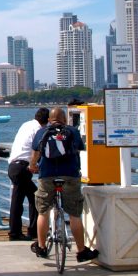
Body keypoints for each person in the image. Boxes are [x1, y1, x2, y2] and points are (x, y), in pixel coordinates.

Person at [29, 107, 99, 263]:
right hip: (70, 175)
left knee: (43, 211)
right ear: (65, 119)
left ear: (49, 120)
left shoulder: (42, 132)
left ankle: (41, 247)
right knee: (74, 214)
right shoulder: (72, 131)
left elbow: (35, 154)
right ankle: (81, 251)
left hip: (47, 176)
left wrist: (33, 166)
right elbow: (80, 148)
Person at [6, 108, 48, 241]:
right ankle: (16, 233)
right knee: (21, 201)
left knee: (31, 197)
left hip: (14, 165)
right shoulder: (39, 130)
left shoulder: (26, 125)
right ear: (46, 121)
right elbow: (39, 149)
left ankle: (30, 230)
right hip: (22, 168)